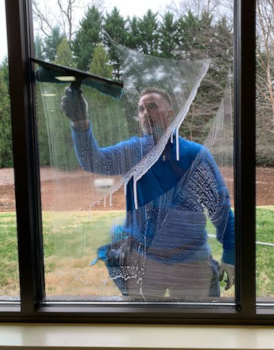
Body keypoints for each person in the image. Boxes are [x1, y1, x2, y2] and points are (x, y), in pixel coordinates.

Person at [61, 86, 235, 301]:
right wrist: (80, 123)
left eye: (151, 106)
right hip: (144, 261)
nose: (145, 113)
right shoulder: (133, 152)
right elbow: (93, 160)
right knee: (142, 325)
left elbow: (221, 208)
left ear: (170, 113)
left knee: (200, 323)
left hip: (192, 259)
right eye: (141, 109)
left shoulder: (194, 155)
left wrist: (231, 255)